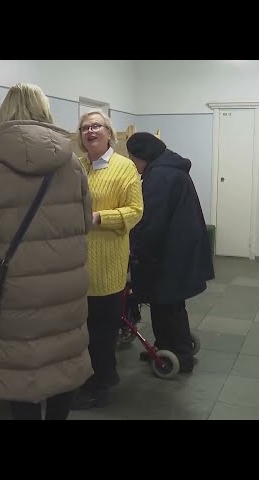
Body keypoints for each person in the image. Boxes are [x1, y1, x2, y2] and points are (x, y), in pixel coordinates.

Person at [0, 83, 93, 420]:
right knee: (63, 359)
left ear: (7, 112)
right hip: (67, 284)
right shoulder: (72, 161)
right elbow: (85, 222)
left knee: (23, 366)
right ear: (45, 111)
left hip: (17, 286)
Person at [70, 110, 144, 410]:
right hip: (77, 266)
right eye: (85, 127)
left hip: (107, 266)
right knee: (83, 332)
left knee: (101, 333)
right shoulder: (78, 167)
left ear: (109, 133)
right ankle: (93, 379)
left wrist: (100, 217)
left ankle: (101, 385)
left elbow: (136, 211)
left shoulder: (124, 167)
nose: (90, 131)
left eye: (96, 126)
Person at [126, 132, 214, 373]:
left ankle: (179, 355)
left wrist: (134, 249)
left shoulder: (159, 176)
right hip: (180, 248)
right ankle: (170, 345)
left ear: (143, 156)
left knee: (165, 304)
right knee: (171, 304)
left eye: (133, 160)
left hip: (169, 253)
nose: (134, 166)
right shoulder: (172, 168)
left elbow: (151, 221)